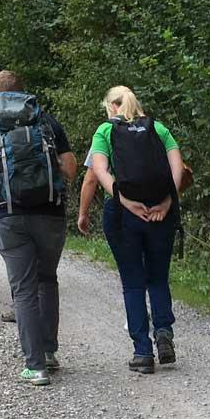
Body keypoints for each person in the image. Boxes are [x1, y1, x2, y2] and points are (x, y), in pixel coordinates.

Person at [0, 70, 76, 385]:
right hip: (51, 213)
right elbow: (70, 169)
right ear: (22, 92)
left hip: (10, 214)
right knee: (47, 280)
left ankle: (35, 366)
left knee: (24, 289)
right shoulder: (47, 121)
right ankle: (49, 352)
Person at [85, 87, 184, 374]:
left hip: (122, 214)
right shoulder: (158, 128)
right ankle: (163, 332)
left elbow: (100, 170)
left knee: (132, 282)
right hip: (159, 212)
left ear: (111, 107)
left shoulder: (105, 130)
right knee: (158, 277)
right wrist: (167, 201)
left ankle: (142, 352)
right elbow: (177, 167)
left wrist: (125, 201)